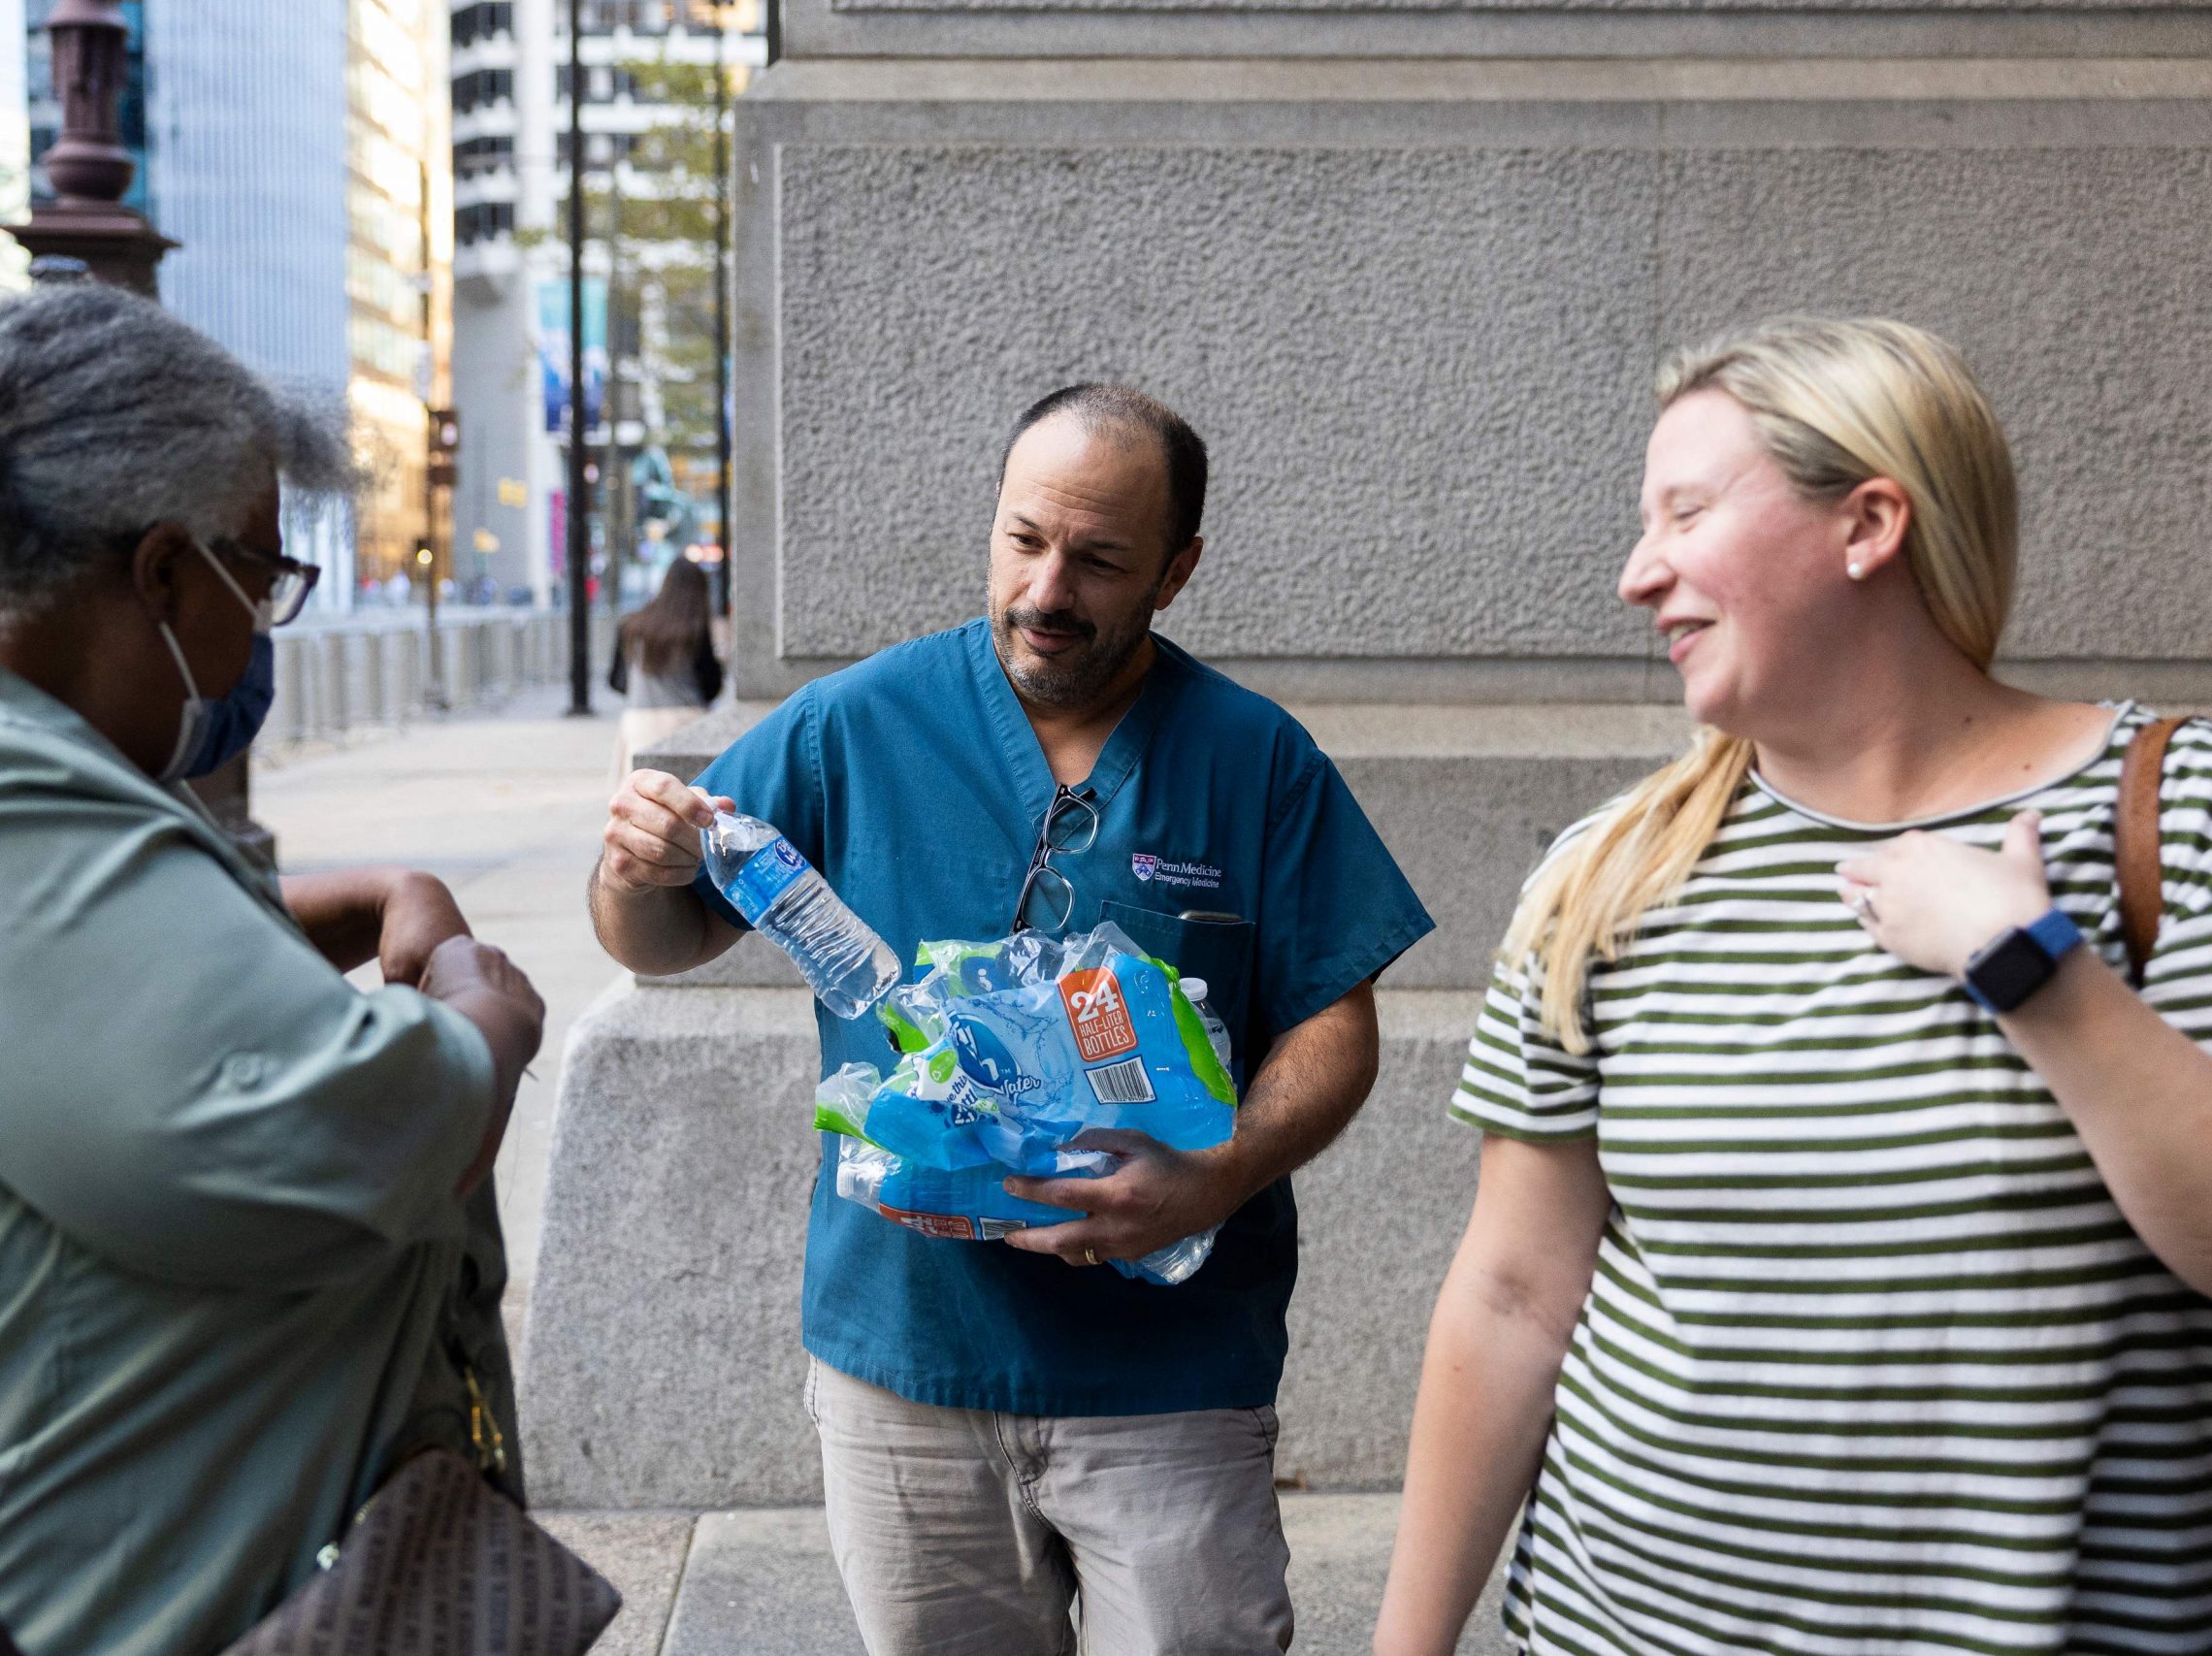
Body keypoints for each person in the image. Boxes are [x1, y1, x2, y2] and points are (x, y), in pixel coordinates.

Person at [1372, 317, 2212, 1656]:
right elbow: (1515, 1289)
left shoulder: (2169, 812)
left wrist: (2033, 970)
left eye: (1686, 512)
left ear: (1869, 520)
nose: (1638, 573)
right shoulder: (1611, 869)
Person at [0, 284, 547, 1656]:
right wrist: (484, 1016)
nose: (259, 631)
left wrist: (281, 910)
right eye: (262, 575)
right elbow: (339, 1135)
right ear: (166, 572)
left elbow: (77, 1006)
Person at [595, 384, 1433, 1654]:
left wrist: (1218, 1175)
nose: (1048, 589)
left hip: (1171, 1382)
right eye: (1023, 538)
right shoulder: (852, 723)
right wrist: (634, 866)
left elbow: (1335, 1021)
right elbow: (660, 942)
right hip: (908, 1369)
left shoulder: (1254, 760)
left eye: (1099, 560)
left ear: (1177, 569)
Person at [607, 553, 724, 779]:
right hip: (688, 722)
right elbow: (711, 686)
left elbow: (616, 681)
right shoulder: (695, 628)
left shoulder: (632, 625)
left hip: (639, 723)